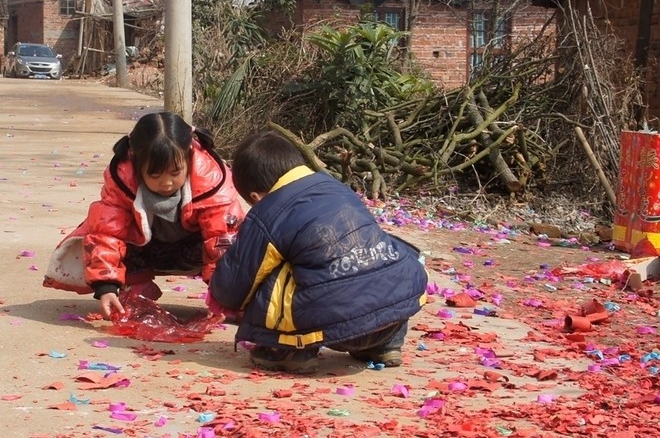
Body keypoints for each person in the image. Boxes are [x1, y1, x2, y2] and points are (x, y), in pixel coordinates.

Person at [208, 131, 428, 374]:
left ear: (255, 197)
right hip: (392, 315)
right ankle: (384, 345)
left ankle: (288, 351)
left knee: (273, 273)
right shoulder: (336, 187)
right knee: (380, 256)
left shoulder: (269, 211)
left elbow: (237, 280)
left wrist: (220, 294)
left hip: (336, 326)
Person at [44, 112, 245, 319]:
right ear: (138, 165)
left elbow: (223, 240)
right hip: (145, 251)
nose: (166, 183)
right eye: (155, 175)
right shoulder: (121, 180)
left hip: (194, 251)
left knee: (228, 240)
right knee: (109, 232)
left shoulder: (212, 180)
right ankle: (137, 289)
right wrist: (106, 287)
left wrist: (225, 294)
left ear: (190, 156)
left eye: (175, 173)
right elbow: (107, 236)